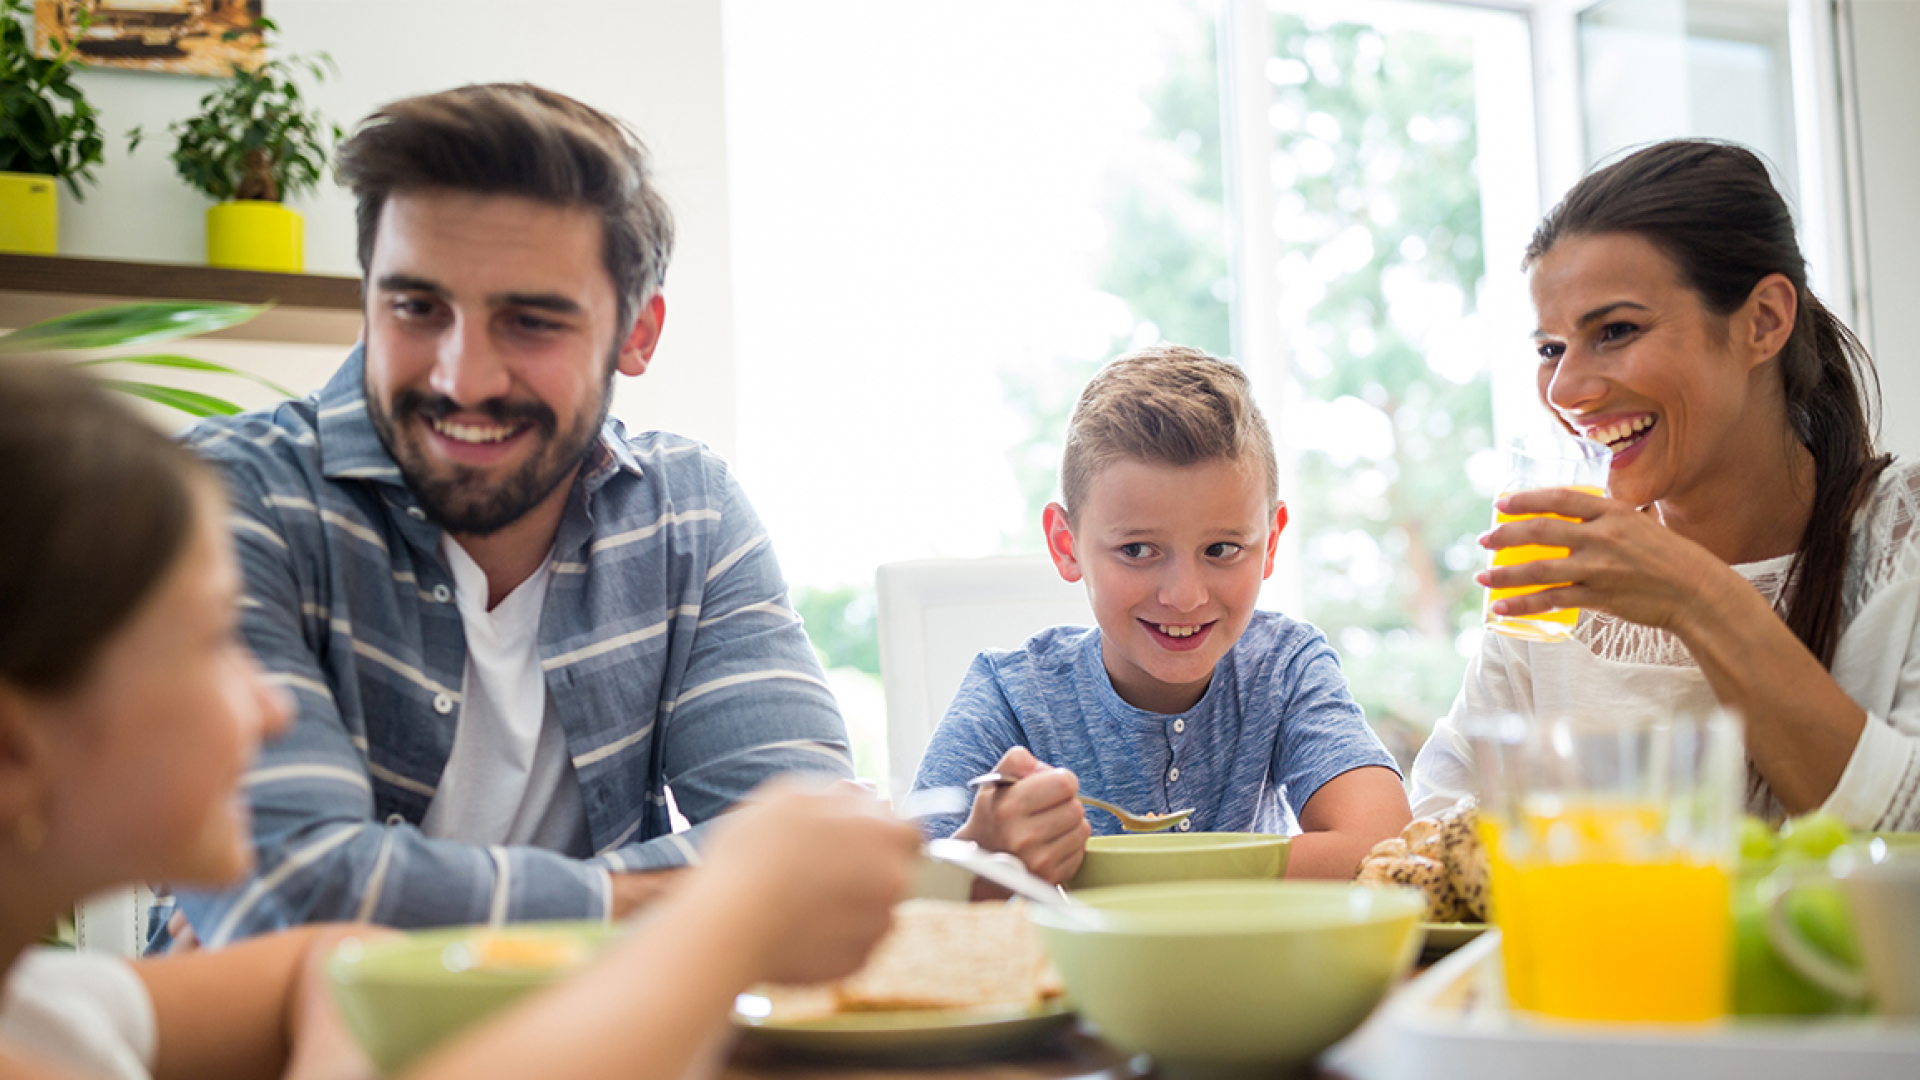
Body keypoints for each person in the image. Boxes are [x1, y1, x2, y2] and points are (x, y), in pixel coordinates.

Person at [0, 360, 922, 1080]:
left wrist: (379, 922)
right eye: (212, 645)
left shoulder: (51, 1006)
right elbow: (314, 898)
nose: (272, 700)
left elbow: (329, 953)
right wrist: (727, 907)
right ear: (14, 753)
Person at [172, 83, 855, 948]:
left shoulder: (690, 517)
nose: (464, 378)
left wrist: (390, 897)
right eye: (417, 309)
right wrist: (675, 899)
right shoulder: (225, 500)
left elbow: (806, 837)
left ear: (638, 335)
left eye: (531, 322)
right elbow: (284, 894)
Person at [1409, 140, 1920, 829]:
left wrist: (1697, 597)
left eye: (1616, 330)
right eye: (1550, 349)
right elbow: (1442, 813)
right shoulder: (1565, 577)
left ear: (1764, 321)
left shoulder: (1900, 543)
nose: (1567, 390)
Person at [911, 345, 1411, 886]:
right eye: (1137, 550)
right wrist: (982, 855)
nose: (1184, 596)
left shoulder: (1284, 667)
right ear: (1066, 544)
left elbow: (1382, 847)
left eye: (1221, 549)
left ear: (1270, 543)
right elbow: (902, 898)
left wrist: (1114, 876)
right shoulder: (1011, 693)